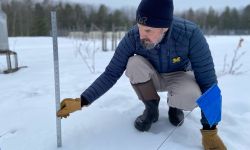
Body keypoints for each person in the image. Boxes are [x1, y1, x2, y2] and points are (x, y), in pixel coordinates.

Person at [57, 0, 227, 149]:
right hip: (152, 77)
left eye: (147, 30)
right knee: (134, 64)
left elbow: (209, 84)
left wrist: (210, 131)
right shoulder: (133, 37)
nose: (141, 35)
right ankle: (151, 109)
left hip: (180, 76)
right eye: (139, 28)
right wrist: (83, 100)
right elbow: (111, 73)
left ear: (164, 28)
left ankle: (174, 107)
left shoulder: (190, 35)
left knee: (191, 96)